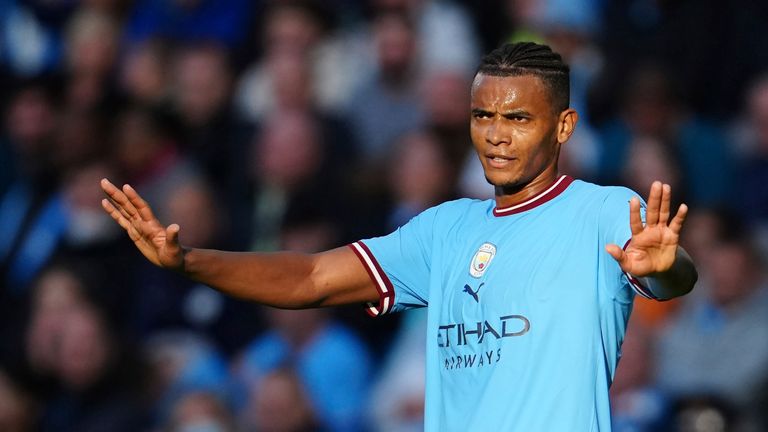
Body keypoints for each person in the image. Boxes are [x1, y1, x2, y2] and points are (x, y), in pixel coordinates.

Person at [100, 42, 698, 431]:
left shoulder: (604, 210)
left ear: (564, 125)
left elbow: (672, 278)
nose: (495, 134)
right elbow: (310, 278)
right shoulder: (442, 230)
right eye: (482, 116)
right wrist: (188, 261)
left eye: (517, 118)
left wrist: (665, 270)